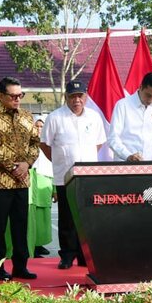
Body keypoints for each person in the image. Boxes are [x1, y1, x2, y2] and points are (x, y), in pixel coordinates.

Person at [0, 77, 41, 280]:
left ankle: (20, 266)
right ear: (1, 96)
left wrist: (27, 164)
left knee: (20, 225)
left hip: (22, 180)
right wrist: (13, 166)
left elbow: (35, 142)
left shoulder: (27, 117)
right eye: (13, 96)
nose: (17, 99)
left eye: (20, 95)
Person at [41, 80, 106, 270]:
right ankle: (67, 255)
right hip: (64, 176)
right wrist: (60, 161)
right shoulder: (55, 117)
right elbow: (44, 144)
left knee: (87, 218)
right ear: (66, 97)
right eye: (72, 96)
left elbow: (99, 143)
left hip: (88, 176)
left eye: (80, 96)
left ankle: (85, 256)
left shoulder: (94, 117)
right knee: (67, 218)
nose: (77, 100)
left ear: (85, 96)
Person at [108, 72, 152, 162]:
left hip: (149, 166)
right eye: (148, 95)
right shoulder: (123, 105)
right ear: (141, 87)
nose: (151, 100)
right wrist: (128, 156)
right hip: (125, 164)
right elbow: (113, 138)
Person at [30, 115, 54, 258]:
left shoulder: (49, 143)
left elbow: (55, 166)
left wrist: (55, 189)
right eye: (37, 126)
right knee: (32, 217)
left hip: (46, 182)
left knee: (44, 217)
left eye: (41, 126)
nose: (39, 129)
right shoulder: (29, 142)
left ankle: (40, 244)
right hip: (33, 182)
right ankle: (33, 245)